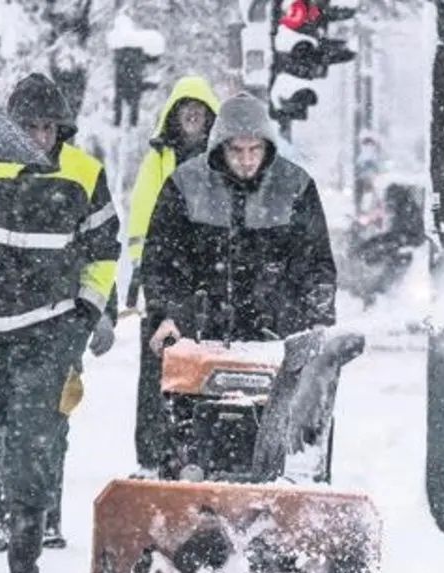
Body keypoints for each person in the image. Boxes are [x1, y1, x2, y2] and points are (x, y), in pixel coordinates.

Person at [0, 73, 121, 573]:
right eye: (28, 126)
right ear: (8, 125)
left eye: (48, 127)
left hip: (48, 333)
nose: (39, 136)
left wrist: (84, 314)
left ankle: (25, 564)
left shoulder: (85, 175)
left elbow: (104, 251)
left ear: (62, 129)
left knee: (33, 454)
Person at [141, 90, 337, 394]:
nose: (246, 161)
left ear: (267, 147)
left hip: (276, 339)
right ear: (221, 147)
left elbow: (315, 263)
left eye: (254, 150)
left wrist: (317, 321)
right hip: (201, 338)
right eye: (236, 151)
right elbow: (161, 262)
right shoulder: (185, 185)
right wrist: (166, 314)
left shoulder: (295, 187)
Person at [121, 74, 219, 475]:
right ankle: (153, 453)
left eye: (199, 111)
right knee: (156, 368)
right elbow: (142, 216)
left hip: (207, 278)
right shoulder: (158, 161)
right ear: (175, 117)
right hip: (165, 276)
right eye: (187, 111)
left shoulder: (218, 158)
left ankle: (196, 450)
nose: (193, 118)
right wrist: (140, 272)